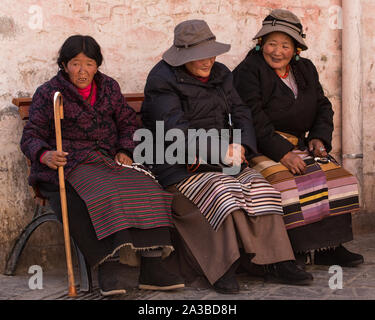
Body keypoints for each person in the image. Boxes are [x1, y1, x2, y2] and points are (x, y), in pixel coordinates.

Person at [141, 19, 313, 294]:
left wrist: (243, 145)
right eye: (198, 56)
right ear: (182, 56)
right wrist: (220, 150)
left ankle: (277, 261)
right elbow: (174, 132)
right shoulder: (162, 80)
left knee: (261, 188)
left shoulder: (221, 74)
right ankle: (223, 267)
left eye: (210, 53)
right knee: (223, 192)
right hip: (179, 166)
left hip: (225, 159)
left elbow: (242, 111)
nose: (207, 60)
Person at [20, 35, 185, 296]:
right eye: (75, 64)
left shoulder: (108, 87)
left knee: (148, 185)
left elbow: (129, 124)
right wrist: (45, 155)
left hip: (109, 160)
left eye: (89, 63)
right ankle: (109, 266)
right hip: (71, 163)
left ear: (97, 66)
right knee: (101, 191)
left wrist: (124, 150)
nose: (82, 71)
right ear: (64, 65)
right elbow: (31, 135)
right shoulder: (50, 93)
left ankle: (152, 266)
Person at [233, 9, 364, 268]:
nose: (277, 51)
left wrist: (318, 137)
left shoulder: (305, 68)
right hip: (261, 146)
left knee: (337, 177)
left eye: (285, 45)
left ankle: (330, 247)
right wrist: (283, 153)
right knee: (290, 183)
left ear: (296, 49)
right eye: (271, 43)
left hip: (299, 143)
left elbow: (323, 105)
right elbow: (252, 117)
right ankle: (296, 250)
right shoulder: (249, 71)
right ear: (260, 44)